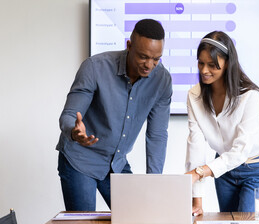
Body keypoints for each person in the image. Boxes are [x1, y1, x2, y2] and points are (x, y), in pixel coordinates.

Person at [56, 19, 172, 211]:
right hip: (80, 160)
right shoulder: (95, 67)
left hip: (116, 163)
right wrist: (74, 132)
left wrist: (154, 181)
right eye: (143, 56)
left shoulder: (162, 80)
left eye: (156, 59)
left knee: (139, 217)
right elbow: (68, 115)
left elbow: (157, 135)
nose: (149, 65)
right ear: (129, 46)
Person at [185, 31, 259, 216]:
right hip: (225, 173)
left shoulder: (250, 95)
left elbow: (241, 151)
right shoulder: (194, 96)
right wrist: (197, 202)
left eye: (212, 65)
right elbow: (195, 147)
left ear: (228, 64)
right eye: (201, 63)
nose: (204, 70)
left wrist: (200, 172)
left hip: (257, 170)